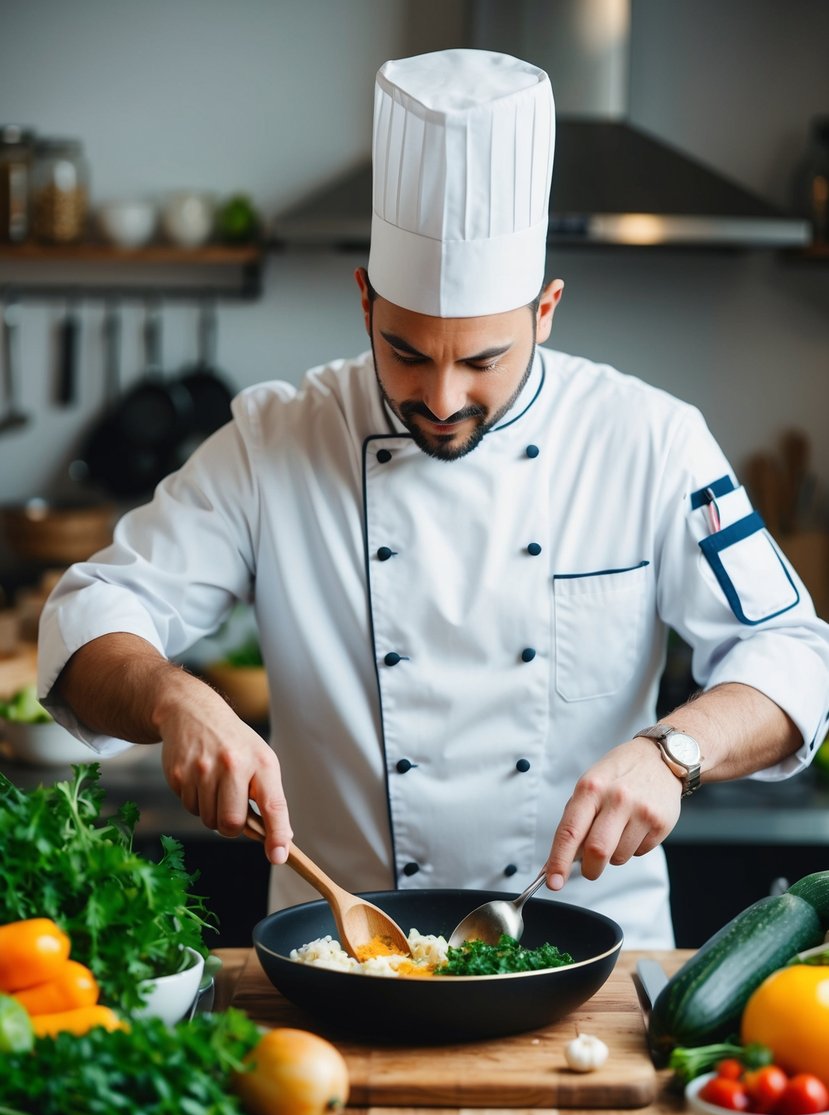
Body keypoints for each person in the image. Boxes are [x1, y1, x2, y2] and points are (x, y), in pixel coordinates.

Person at [38, 49, 829, 948]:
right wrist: (174, 698)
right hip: (338, 963)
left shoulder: (648, 439)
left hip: (592, 965)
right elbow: (90, 612)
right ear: (365, 301)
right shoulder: (274, 441)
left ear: (547, 311)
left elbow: (793, 653)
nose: (442, 399)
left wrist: (672, 753)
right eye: (407, 353)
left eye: (483, 360)